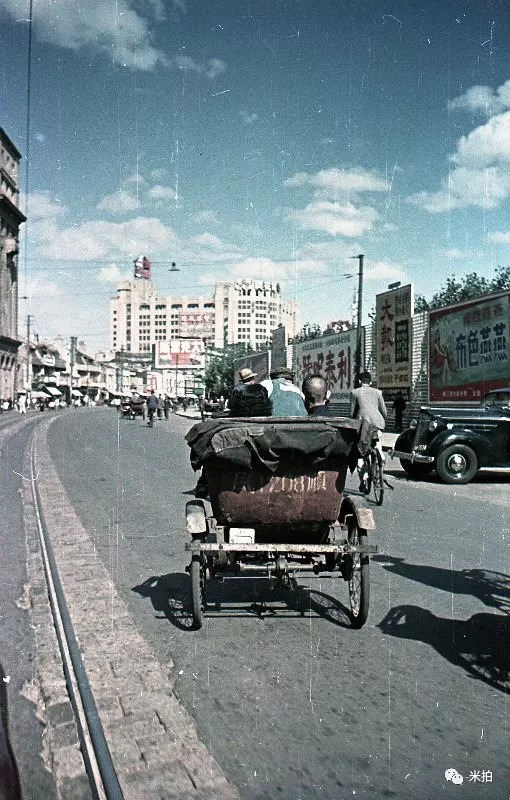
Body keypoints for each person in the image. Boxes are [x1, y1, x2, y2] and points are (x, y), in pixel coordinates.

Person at [350, 371, 387, 492]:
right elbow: (384, 412)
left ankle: (364, 480)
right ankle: (379, 450)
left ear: (360, 381)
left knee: (360, 453)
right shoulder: (378, 392)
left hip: (363, 426)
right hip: (378, 424)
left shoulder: (354, 392)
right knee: (376, 440)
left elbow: (351, 413)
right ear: (371, 382)